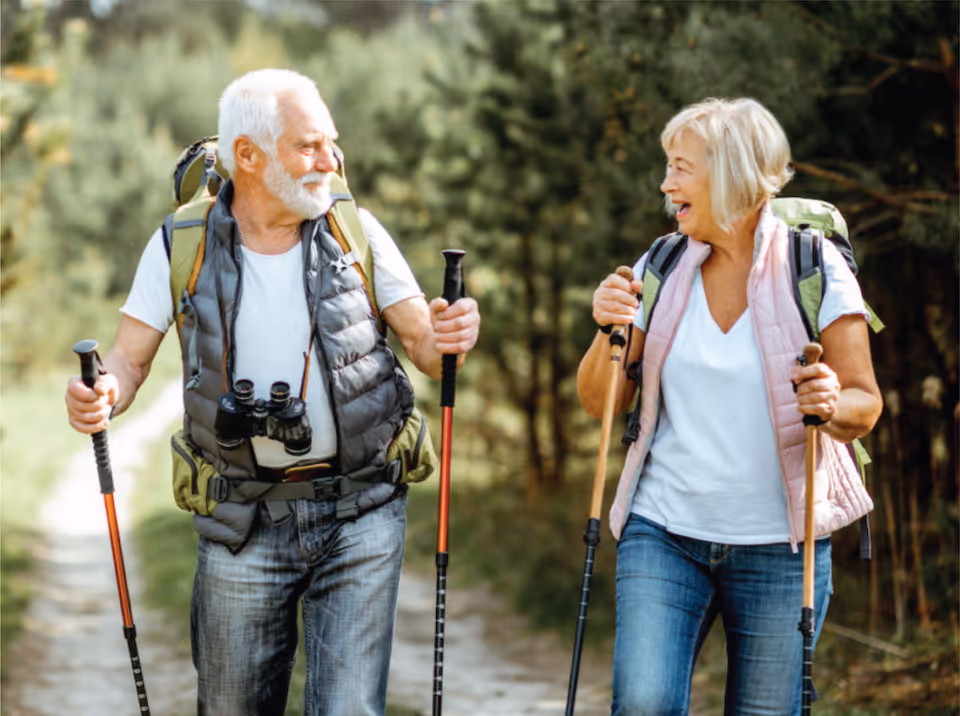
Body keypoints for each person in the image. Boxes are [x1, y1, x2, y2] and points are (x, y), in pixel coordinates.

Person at [64, 68, 480, 716]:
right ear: (249, 156)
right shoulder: (182, 243)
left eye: (330, 142)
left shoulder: (355, 230)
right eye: (308, 146)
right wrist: (101, 393)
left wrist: (453, 330)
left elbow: (427, 346)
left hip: (361, 509)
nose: (330, 160)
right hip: (240, 518)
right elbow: (126, 357)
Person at [577, 97, 882, 715]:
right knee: (642, 704)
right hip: (664, 532)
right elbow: (598, 402)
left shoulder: (812, 267)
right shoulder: (659, 266)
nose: (666, 184)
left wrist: (830, 400)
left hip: (780, 546)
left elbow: (864, 403)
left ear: (734, 173)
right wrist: (605, 327)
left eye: (682, 167)